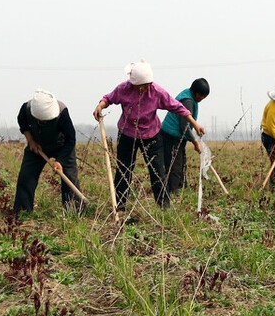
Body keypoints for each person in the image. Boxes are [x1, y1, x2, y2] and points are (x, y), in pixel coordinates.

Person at [93, 61, 204, 210]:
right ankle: (119, 205)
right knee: (124, 170)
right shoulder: (124, 89)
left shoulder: (156, 91)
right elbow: (109, 98)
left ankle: (164, 206)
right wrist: (100, 106)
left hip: (151, 136)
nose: (144, 88)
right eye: (141, 86)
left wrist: (194, 123)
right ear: (133, 84)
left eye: (146, 85)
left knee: (158, 171)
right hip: (127, 135)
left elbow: (177, 107)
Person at [14, 89, 81, 216]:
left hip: (61, 146)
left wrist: (60, 161)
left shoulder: (62, 112)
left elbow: (70, 139)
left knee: (70, 178)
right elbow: (23, 124)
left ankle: (73, 211)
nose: (44, 122)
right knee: (26, 177)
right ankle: (22, 212)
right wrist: (31, 141)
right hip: (37, 145)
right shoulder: (26, 108)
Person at [159, 78, 210, 197]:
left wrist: (197, 128)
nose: (202, 99)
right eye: (202, 96)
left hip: (177, 136)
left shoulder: (189, 96)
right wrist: (195, 141)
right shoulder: (188, 101)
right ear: (197, 93)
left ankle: (182, 186)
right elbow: (184, 126)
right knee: (174, 164)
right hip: (171, 136)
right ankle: (173, 192)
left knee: (181, 161)